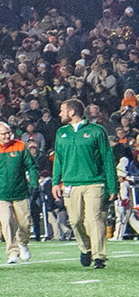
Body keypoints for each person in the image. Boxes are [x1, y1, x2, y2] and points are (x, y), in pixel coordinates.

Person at [53, 97, 116, 270]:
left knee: (94, 219)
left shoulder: (97, 131)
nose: (60, 113)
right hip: (70, 183)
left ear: (72, 112)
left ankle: (99, 256)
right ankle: (86, 247)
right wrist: (54, 182)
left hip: (94, 182)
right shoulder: (61, 133)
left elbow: (107, 158)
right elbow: (58, 158)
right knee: (74, 221)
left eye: (62, 110)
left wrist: (112, 185)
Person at [0, 122, 35, 265]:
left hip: (20, 190)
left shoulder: (20, 146)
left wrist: (33, 182)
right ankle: (12, 251)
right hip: (0, 192)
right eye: (4, 133)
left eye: (8, 132)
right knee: (6, 222)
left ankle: (23, 243)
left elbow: (31, 165)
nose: (8, 135)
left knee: (25, 222)